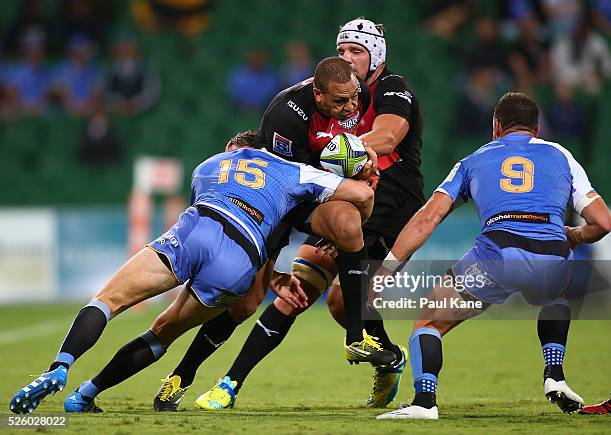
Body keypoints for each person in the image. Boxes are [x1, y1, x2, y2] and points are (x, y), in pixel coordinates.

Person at [155, 18, 427, 412]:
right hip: (338, 204)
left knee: (340, 303)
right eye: (342, 51)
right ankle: (225, 384)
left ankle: (388, 357)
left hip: (389, 211)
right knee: (283, 294)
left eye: (357, 52)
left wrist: (342, 153)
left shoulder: (390, 89)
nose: (347, 59)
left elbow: (385, 137)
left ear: (377, 56)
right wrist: (331, 165)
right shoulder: (320, 100)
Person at [9, 129, 375, 414]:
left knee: (107, 301)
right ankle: (86, 393)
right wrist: (364, 179)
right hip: (241, 257)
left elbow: (204, 199)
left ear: (234, 148)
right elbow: (359, 195)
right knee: (163, 332)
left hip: (196, 228)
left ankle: (59, 366)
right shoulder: (293, 170)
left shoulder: (210, 164)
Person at [375, 92, 611, 420]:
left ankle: (424, 402)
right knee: (553, 296)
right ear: (537, 129)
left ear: (496, 126)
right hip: (551, 255)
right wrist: (573, 236)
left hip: (495, 256)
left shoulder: (473, 160)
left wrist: (388, 268)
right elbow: (603, 222)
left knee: (428, 320)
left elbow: (427, 219)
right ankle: (554, 374)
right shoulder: (561, 156)